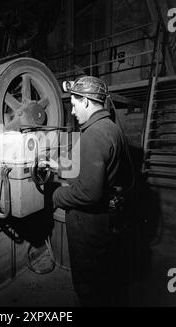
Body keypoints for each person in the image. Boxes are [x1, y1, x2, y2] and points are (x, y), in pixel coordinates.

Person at [52, 76, 132, 307]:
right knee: (103, 275)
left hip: (89, 224)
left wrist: (56, 197)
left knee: (89, 285)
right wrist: (59, 165)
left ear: (86, 102)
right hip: (108, 219)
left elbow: (89, 193)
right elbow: (97, 166)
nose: (73, 112)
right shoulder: (110, 128)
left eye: (75, 105)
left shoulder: (93, 135)